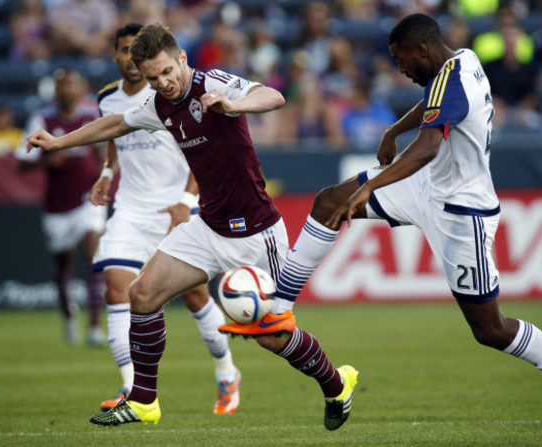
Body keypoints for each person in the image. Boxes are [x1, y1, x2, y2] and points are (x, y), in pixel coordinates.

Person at [219, 13, 542, 435]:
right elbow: (434, 105)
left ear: (421, 49)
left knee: (491, 329)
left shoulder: (453, 77)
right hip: (426, 186)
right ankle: (280, 310)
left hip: (461, 212)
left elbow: (426, 145)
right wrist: (393, 129)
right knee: (329, 201)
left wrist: (372, 187)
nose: (399, 69)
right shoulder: (461, 62)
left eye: (400, 59)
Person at [26, 23, 358, 430]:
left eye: (167, 71)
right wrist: (58, 143)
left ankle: (337, 383)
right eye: (152, 77)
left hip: (257, 233)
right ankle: (144, 401)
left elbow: (272, 95)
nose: (162, 83)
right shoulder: (158, 104)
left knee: (272, 335)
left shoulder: (213, 82)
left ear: (182, 58)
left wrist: (235, 106)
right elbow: (115, 125)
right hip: (208, 227)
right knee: (143, 294)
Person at [90, 23, 241, 415]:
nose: (130, 59)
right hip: (131, 209)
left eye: (135, 51)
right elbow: (114, 137)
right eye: (123, 50)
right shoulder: (107, 98)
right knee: (117, 291)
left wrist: (187, 200)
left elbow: (201, 149)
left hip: (177, 205)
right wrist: (107, 174)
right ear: (118, 56)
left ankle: (226, 372)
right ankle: (132, 390)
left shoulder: (171, 93)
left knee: (194, 295)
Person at [16, 69, 107, 346]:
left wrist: (104, 176)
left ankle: (93, 326)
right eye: (61, 87)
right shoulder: (42, 119)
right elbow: (20, 162)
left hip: (86, 199)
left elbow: (105, 153)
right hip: (57, 205)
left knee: (93, 252)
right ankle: (68, 313)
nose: (67, 91)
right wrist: (46, 161)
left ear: (80, 90)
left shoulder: (92, 114)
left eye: (71, 86)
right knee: (62, 265)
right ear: (55, 92)